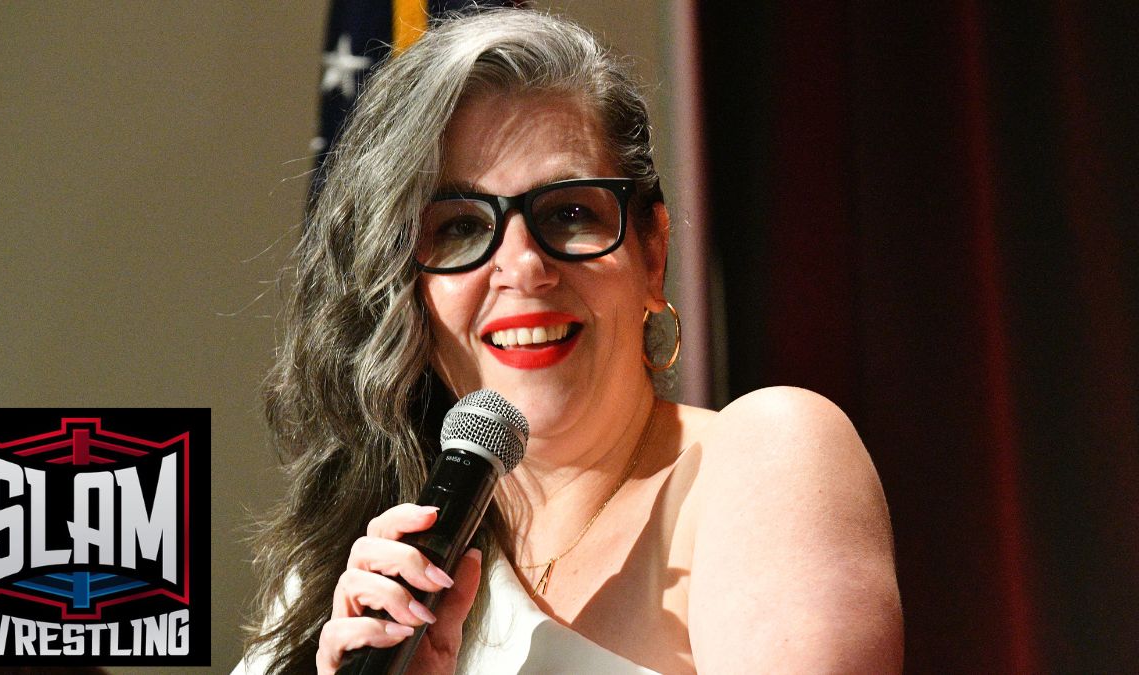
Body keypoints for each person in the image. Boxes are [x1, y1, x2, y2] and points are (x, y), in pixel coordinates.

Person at [237, 8, 902, 674]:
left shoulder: (767, 457)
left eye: (570, 213)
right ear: (407, 289)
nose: (524, 265)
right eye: (461, 227)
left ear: (652, 253)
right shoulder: (354, 579)